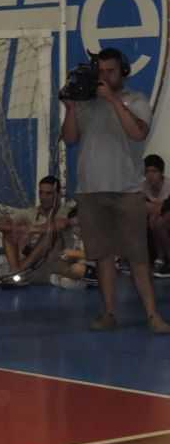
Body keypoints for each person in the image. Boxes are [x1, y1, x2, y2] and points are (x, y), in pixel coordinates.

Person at [61, 47, 169, 333]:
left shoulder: (136, 100)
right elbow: (69, 138)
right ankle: (109, 313)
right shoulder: (86, 103)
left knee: (138, 257)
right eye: (101, 71)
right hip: (91, 191)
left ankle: (152, 315)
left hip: (127, 191)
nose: (105, 76)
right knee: (103, 256)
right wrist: (71, 109)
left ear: (123, 71)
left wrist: (112, 100)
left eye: (110, 71)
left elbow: (138, 133)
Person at [0, 176, 74, 285]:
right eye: (41, 193)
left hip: (52, 266)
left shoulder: (66, 212)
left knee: (50, 234)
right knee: (9, 233)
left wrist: (32, 230)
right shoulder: (30, 213)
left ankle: (17, 272)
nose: (43, 197)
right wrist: (13, 226)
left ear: (58, 195)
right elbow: (0, 224)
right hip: (29, 268)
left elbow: (61, 224)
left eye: (48, 193)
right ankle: (16, 272)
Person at [141, 154, 170, 278]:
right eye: (147, 171)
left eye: (154, 171)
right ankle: (159, 258)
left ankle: (164, 258)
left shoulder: (168, 186)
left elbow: (162, 208)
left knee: (158, 222)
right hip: (155, 217)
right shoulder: (143, 187)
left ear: (161, 173)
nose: (150, 175)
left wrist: (155, 208)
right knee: (152, 220)